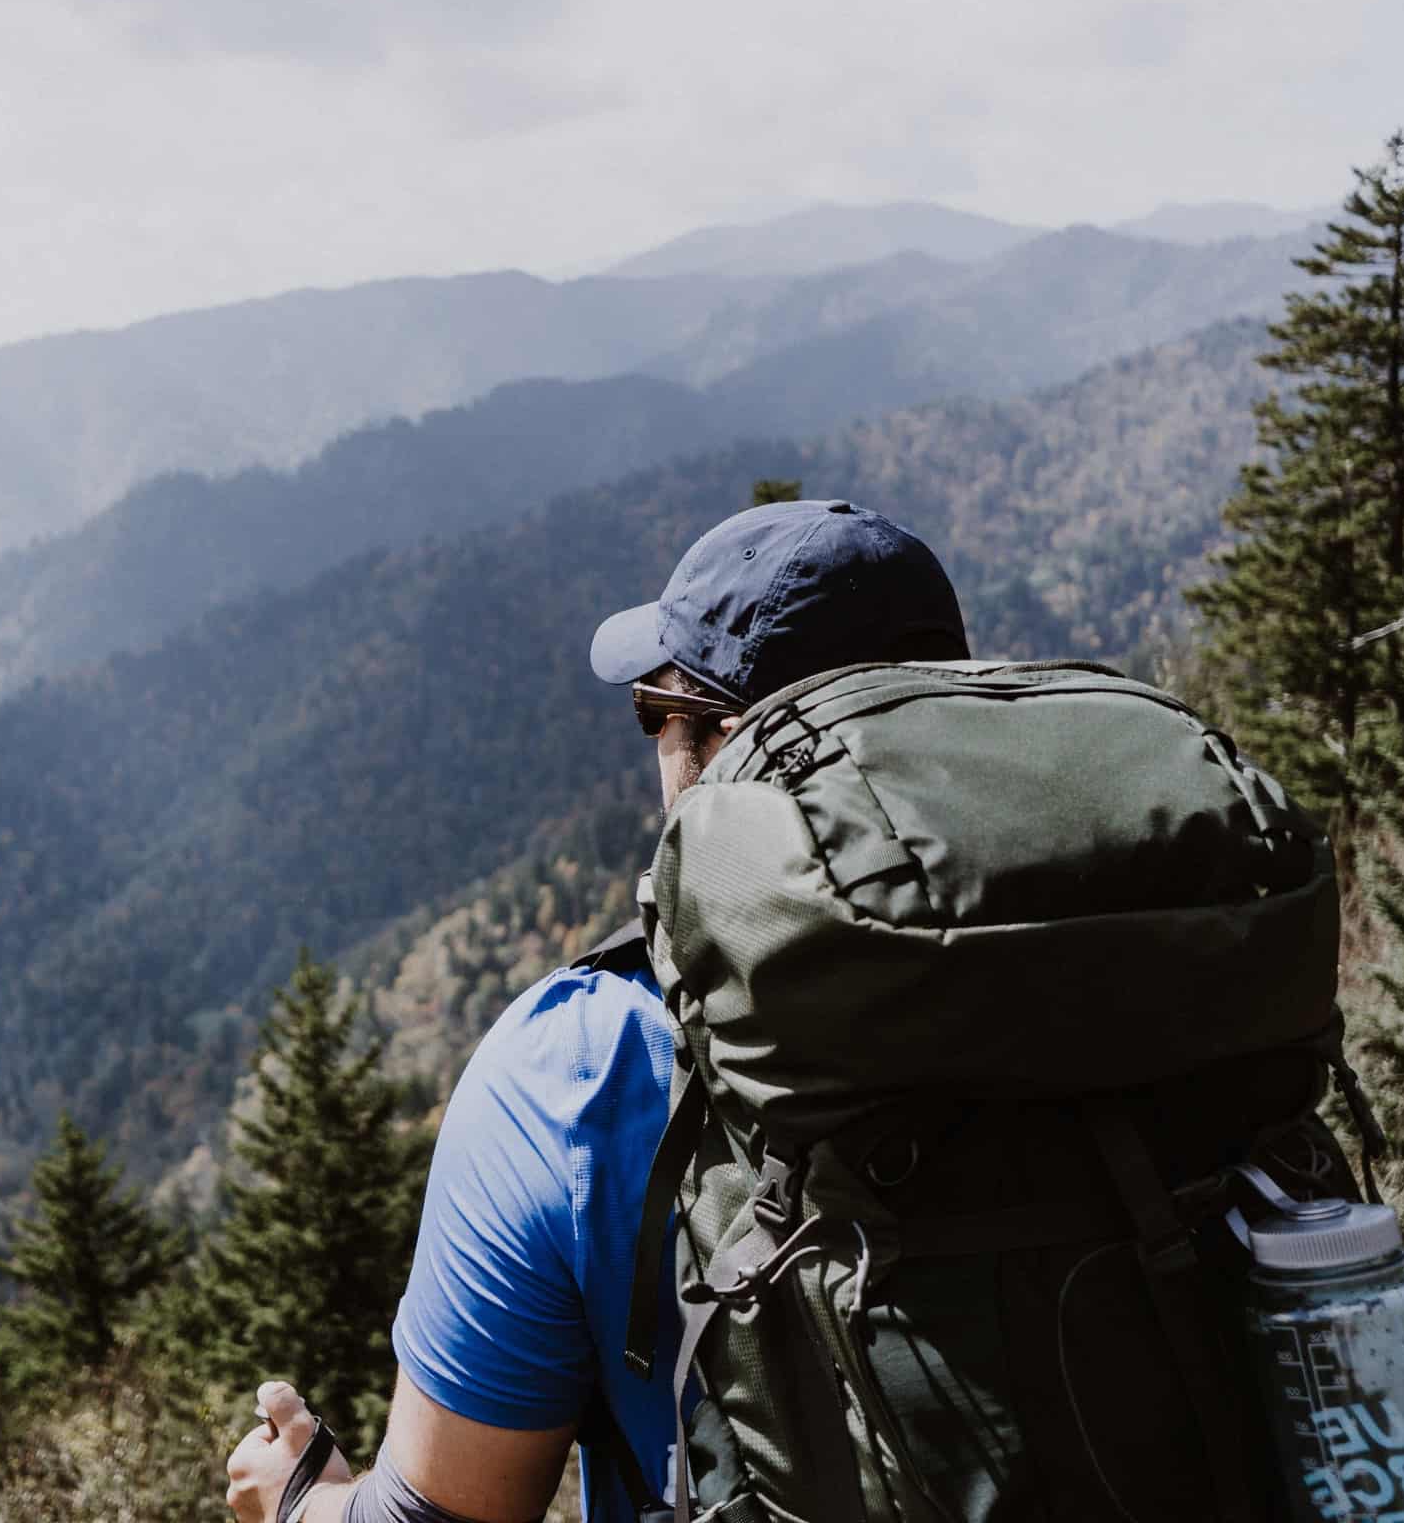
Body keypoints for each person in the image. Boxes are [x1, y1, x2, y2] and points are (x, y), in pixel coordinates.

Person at [225, 499, 970, 1523]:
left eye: (657, 710)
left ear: (710, 741)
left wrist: (302, 1496)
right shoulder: (1155, 969)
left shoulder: (581, 1067)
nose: (653, 743)